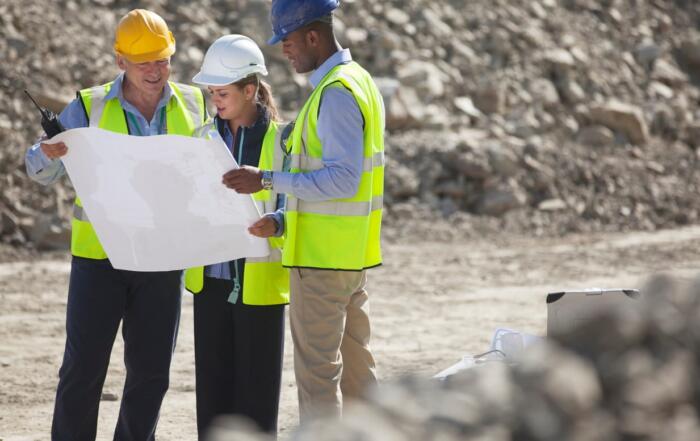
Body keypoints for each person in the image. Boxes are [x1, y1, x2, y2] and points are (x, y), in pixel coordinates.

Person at [24, 9, 206, 440]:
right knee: (84, 370)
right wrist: (47, 154)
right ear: (120, 61)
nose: (156, 71)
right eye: (144, 62)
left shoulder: (195, 104)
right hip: (100, 260)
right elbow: (38, 166)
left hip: (162, 260)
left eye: (162, 60)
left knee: (151, 375)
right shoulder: (89, 106)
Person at [224, 0, 385, 421]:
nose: (284, 51)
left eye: (289, 41)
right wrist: (279, 219)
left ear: (313, 36)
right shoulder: (358, 81)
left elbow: (342, 180)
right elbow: (335, 185)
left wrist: (267, 180)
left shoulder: (335, 94)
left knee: (318, 380)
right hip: (349, 258)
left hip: (321, 264)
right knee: (357, 375)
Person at [184, 34, 289, 438]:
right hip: (210, 284)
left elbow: (296, 205)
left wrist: (276, 222)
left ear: (250, 90)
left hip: (259, 288)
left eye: (222, 92)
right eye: (211, 93)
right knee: (212, 400)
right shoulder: (201, 139)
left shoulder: (282, 140)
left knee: (257, 403)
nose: (216, 101)